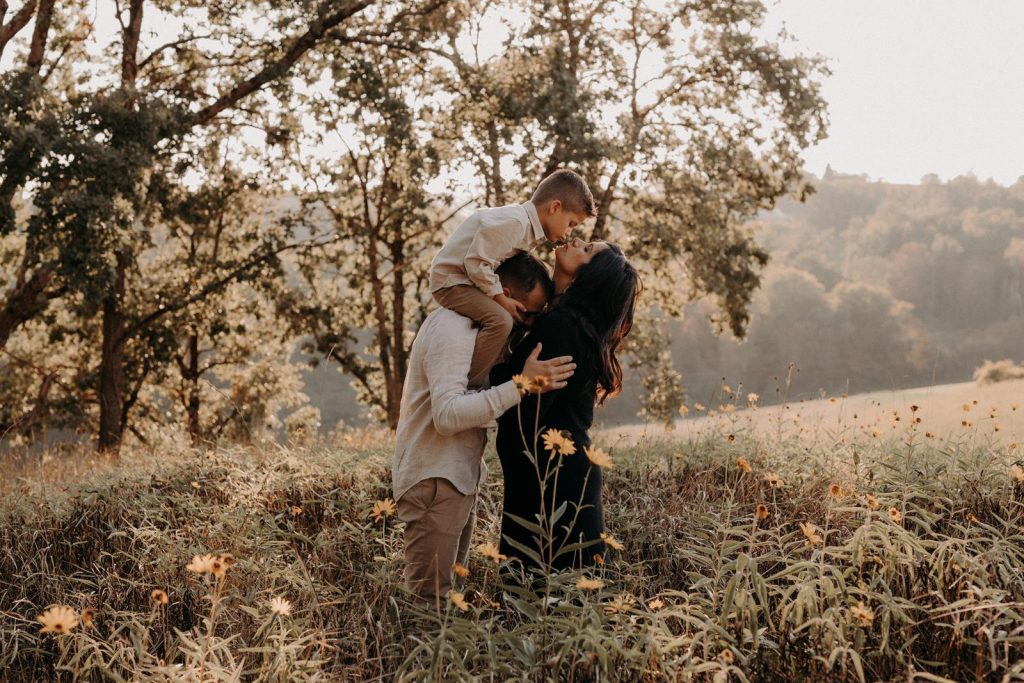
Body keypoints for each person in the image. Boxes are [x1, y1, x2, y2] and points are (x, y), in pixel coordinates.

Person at [392, 253, 576, 605]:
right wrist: (522, 385)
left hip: (457, 479)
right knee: (430, 607)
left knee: (446, 605)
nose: (528, 324)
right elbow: (446, 415)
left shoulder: (475, 333)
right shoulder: (452, 328)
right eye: (527, 313)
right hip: (434, 479)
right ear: (504, 293)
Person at [492, 238, 640, 575]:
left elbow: (526, 412)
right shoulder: (559, 321)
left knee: (542, 598)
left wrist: (500, 374)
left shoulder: (562, 327)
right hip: (555, 475)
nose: (576, 242)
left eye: (586, 250)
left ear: (588, 278)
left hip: (553, 482)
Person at [430, 169, 596, 389]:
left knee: (517, 318)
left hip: (468, 279)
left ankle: (500, 364)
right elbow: (475, 262)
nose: (568, 233)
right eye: (571, 224)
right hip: (452, 281)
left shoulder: (526, 228)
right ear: (555, 207)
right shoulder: (516, 224)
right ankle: (473, 384)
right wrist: (501, 299)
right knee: (501, 320)